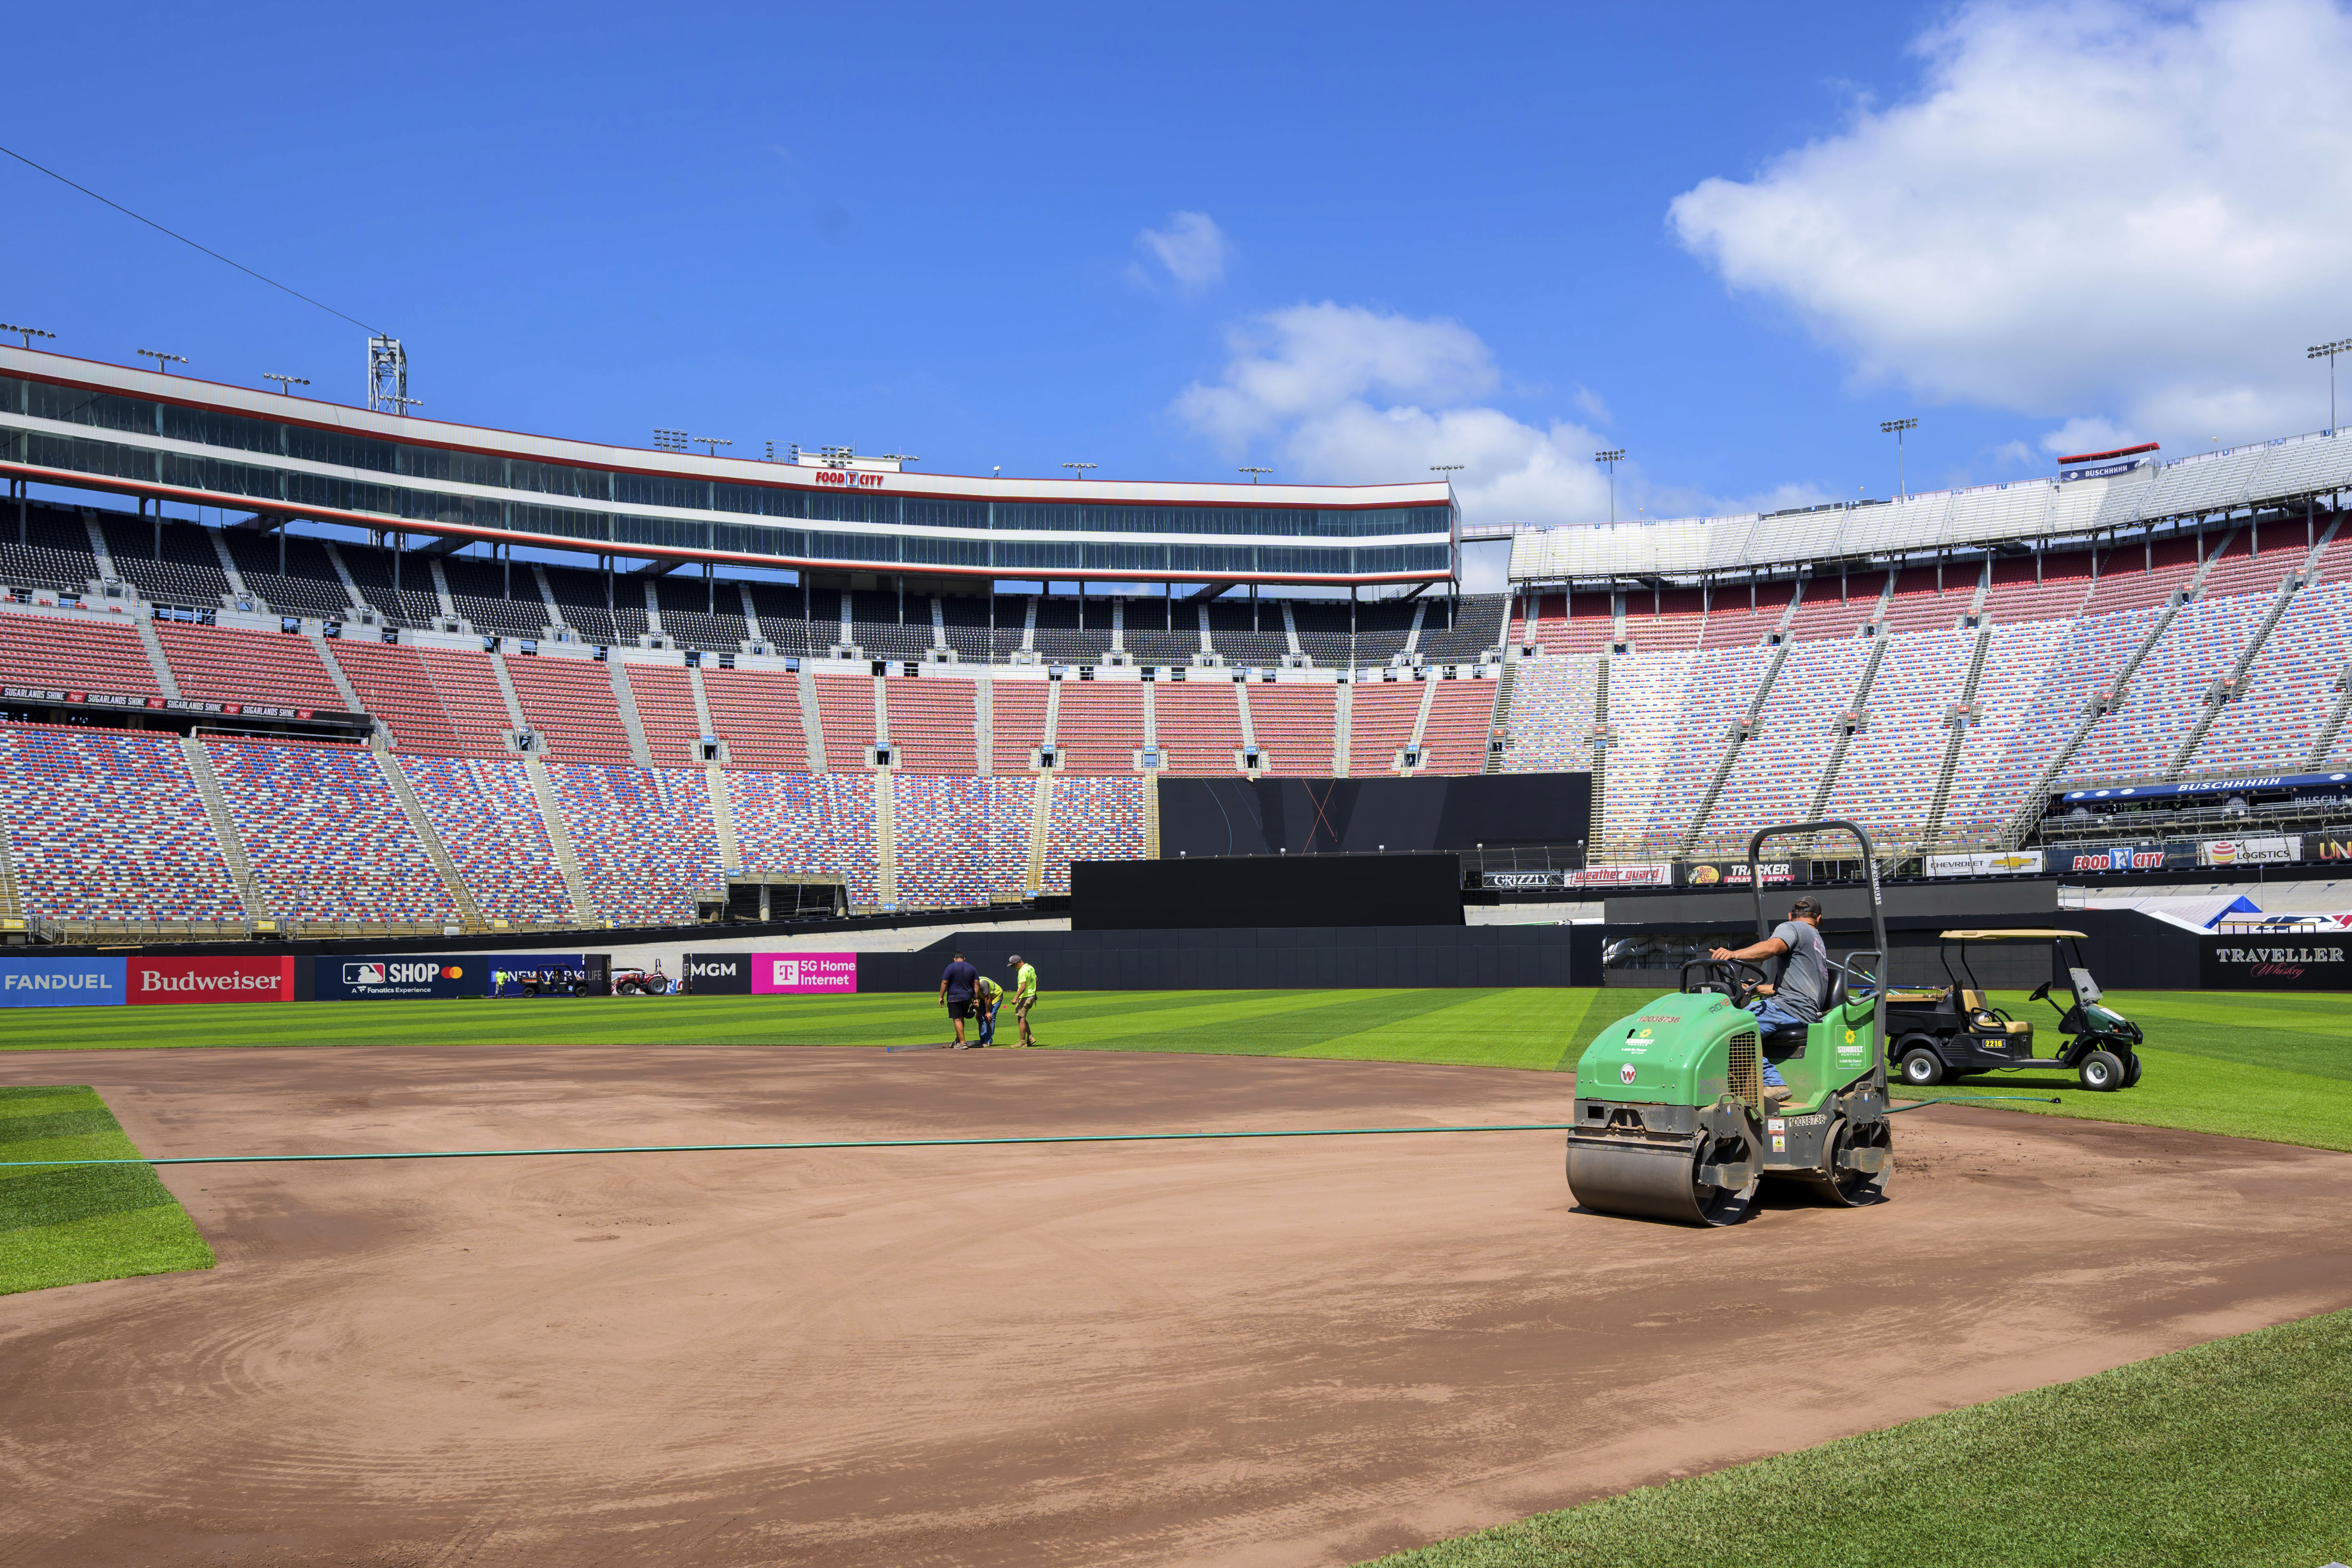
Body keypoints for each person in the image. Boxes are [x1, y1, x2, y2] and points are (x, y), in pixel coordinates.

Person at [1709, 895, 1831, 1107]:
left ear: (1791, 916)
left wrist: (1733, 954)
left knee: (1726, 1029)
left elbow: (1772, 948)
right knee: (1733, 1023)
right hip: (1800, 1008)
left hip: (1787, 1008)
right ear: (1819, 919)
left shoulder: (1793, 928)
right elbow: (1784, 989)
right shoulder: (1816, 940)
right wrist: (1755, 987)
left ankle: (1772, 1082)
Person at [938, 950, 981, 1048]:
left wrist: (941, 997)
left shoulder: (950, 967)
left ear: (955, 959)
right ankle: (958, 1040)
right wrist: (976, 998)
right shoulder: (971, 968)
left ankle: (963, 1043)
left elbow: (945, 982)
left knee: (957, 1019)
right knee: (961, 1018)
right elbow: (977, 984)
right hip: (967, 998)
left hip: (955, 997)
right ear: (964, 959)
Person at [1008, 953, 1039, 1048]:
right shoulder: (1030, 968)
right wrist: (1035, 993)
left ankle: (1022, 1042)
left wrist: (1015, 998)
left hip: (1025, 997)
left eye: (1013, 965)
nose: (1013, 967)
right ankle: (1030, 1037)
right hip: (1031, 996)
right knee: (1023, 1018)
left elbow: (1023, 986)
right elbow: (1037, 981)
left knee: (1021, 1019)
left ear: (1017, 963)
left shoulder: (1022, 971)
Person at [972, 973, 1005, 1047]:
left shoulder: (983, 984)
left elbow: (988, 998)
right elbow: (973, 1001)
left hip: (996, 996)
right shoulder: (969, 987)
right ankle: (983, 1041)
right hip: (984, 998)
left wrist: (988, 1012)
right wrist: (978, 1012)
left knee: (990, 1017)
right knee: (981, 1018)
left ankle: (988, 1041)